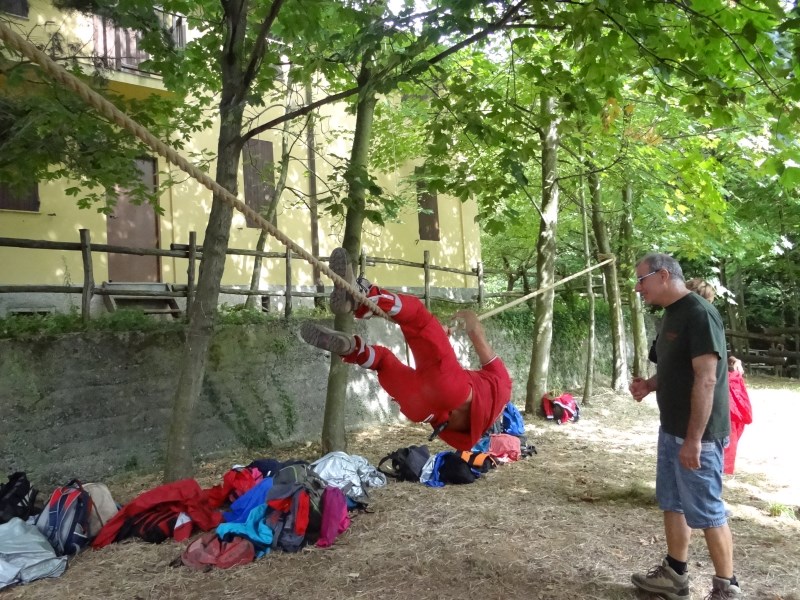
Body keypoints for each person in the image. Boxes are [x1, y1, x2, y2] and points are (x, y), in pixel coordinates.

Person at [299, 247, 512, 451]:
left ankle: (361, 296)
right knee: (383, 362)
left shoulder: (503, 385)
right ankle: (352, 349)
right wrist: (439, 334)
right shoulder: (481, 421)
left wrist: (470, 318)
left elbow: (477, 335)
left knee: (418, 318)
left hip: (450, 389)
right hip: (420, 409)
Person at [629, 254, 742, 600]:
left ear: (663, 275)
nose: (638, 288)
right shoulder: (670, 315)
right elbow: (676, 368)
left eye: (642, 280)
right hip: (671, 428)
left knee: (708, 511)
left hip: (700, 437)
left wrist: (693, 440)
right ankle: (675, 576)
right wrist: (650, 384)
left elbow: (707, 380)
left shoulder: (699, 314)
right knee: (672, 502)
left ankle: (727, 587)